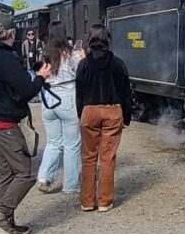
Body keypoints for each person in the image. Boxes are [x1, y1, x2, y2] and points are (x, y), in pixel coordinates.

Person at [0, 11, 50, 234]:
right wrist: (41, 76)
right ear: (10, 34)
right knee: (24, 172)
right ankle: (1, 215)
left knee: (6, 173)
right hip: (5, 124)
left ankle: (5, 224)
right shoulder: (6, 59)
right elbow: (26, 91)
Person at [75, 26, 133, 213]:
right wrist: (127, 116)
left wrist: (80, 114)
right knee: (107, 158)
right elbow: (126, 93)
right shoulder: (118, 63)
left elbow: (79, 93)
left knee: (88, 157)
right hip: (112, 110)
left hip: (89, 110)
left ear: (89, 40)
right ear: (107, 40)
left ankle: (86, 201)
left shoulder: (83, 65)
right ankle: (105, 202)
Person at [36, 21, 82, 196]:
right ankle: (70, 185)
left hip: (48, 100)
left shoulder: (44, 54)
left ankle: (44, 177)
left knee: (53, 142)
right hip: (67, 98)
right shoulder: (71, 55)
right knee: (71, 144)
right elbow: (81, 71)